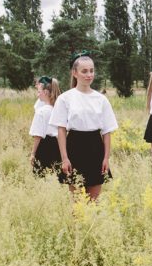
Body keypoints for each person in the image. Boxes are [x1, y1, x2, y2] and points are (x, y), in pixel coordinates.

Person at [49, 52, 118, 200]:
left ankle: (91, 224)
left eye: (91, 70)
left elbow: (106, 132)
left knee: (93, 201)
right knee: (78, 201)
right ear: (74, 73)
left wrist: (106, 158)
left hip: (95, 148)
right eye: (84, 71)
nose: (89, 75)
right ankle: (77, 224)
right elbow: (61, 130)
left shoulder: (101, 99)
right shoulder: (65, 99)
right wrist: (64, 158)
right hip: (74, 147)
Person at [29, 76, 62, 179]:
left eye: (39, 91)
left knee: (40, 176)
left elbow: (38, 135)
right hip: (57, 145)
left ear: (46, 92)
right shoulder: (57, 109)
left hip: (44, 146)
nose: (37, 94)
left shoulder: (42, 112)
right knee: (56, 175)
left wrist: (33, 153)